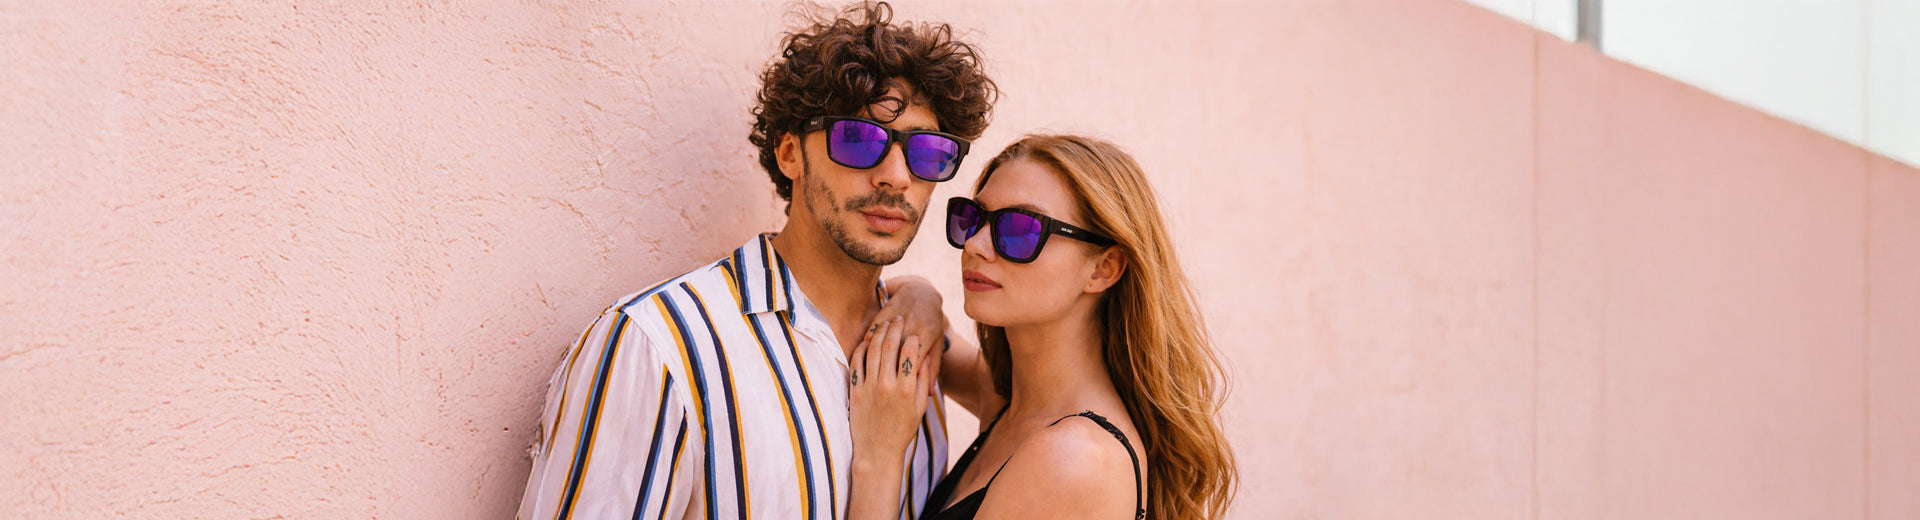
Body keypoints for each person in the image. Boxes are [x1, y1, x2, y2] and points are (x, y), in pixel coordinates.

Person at [514, 3, 996, 519]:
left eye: (928, 152)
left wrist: (925, 297)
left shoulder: (916, 347)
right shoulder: (659, 348)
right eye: (858, 140)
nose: (896, 176)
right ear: (790, 153)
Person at [862, 135, 1238, 520]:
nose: (975, 244)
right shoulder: (1014, 403)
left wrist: (879, 458)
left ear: (1102, 269)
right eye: (973, 218)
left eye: (1019, 229)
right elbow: (934, 336)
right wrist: (922, 296)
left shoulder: (1072, 459)